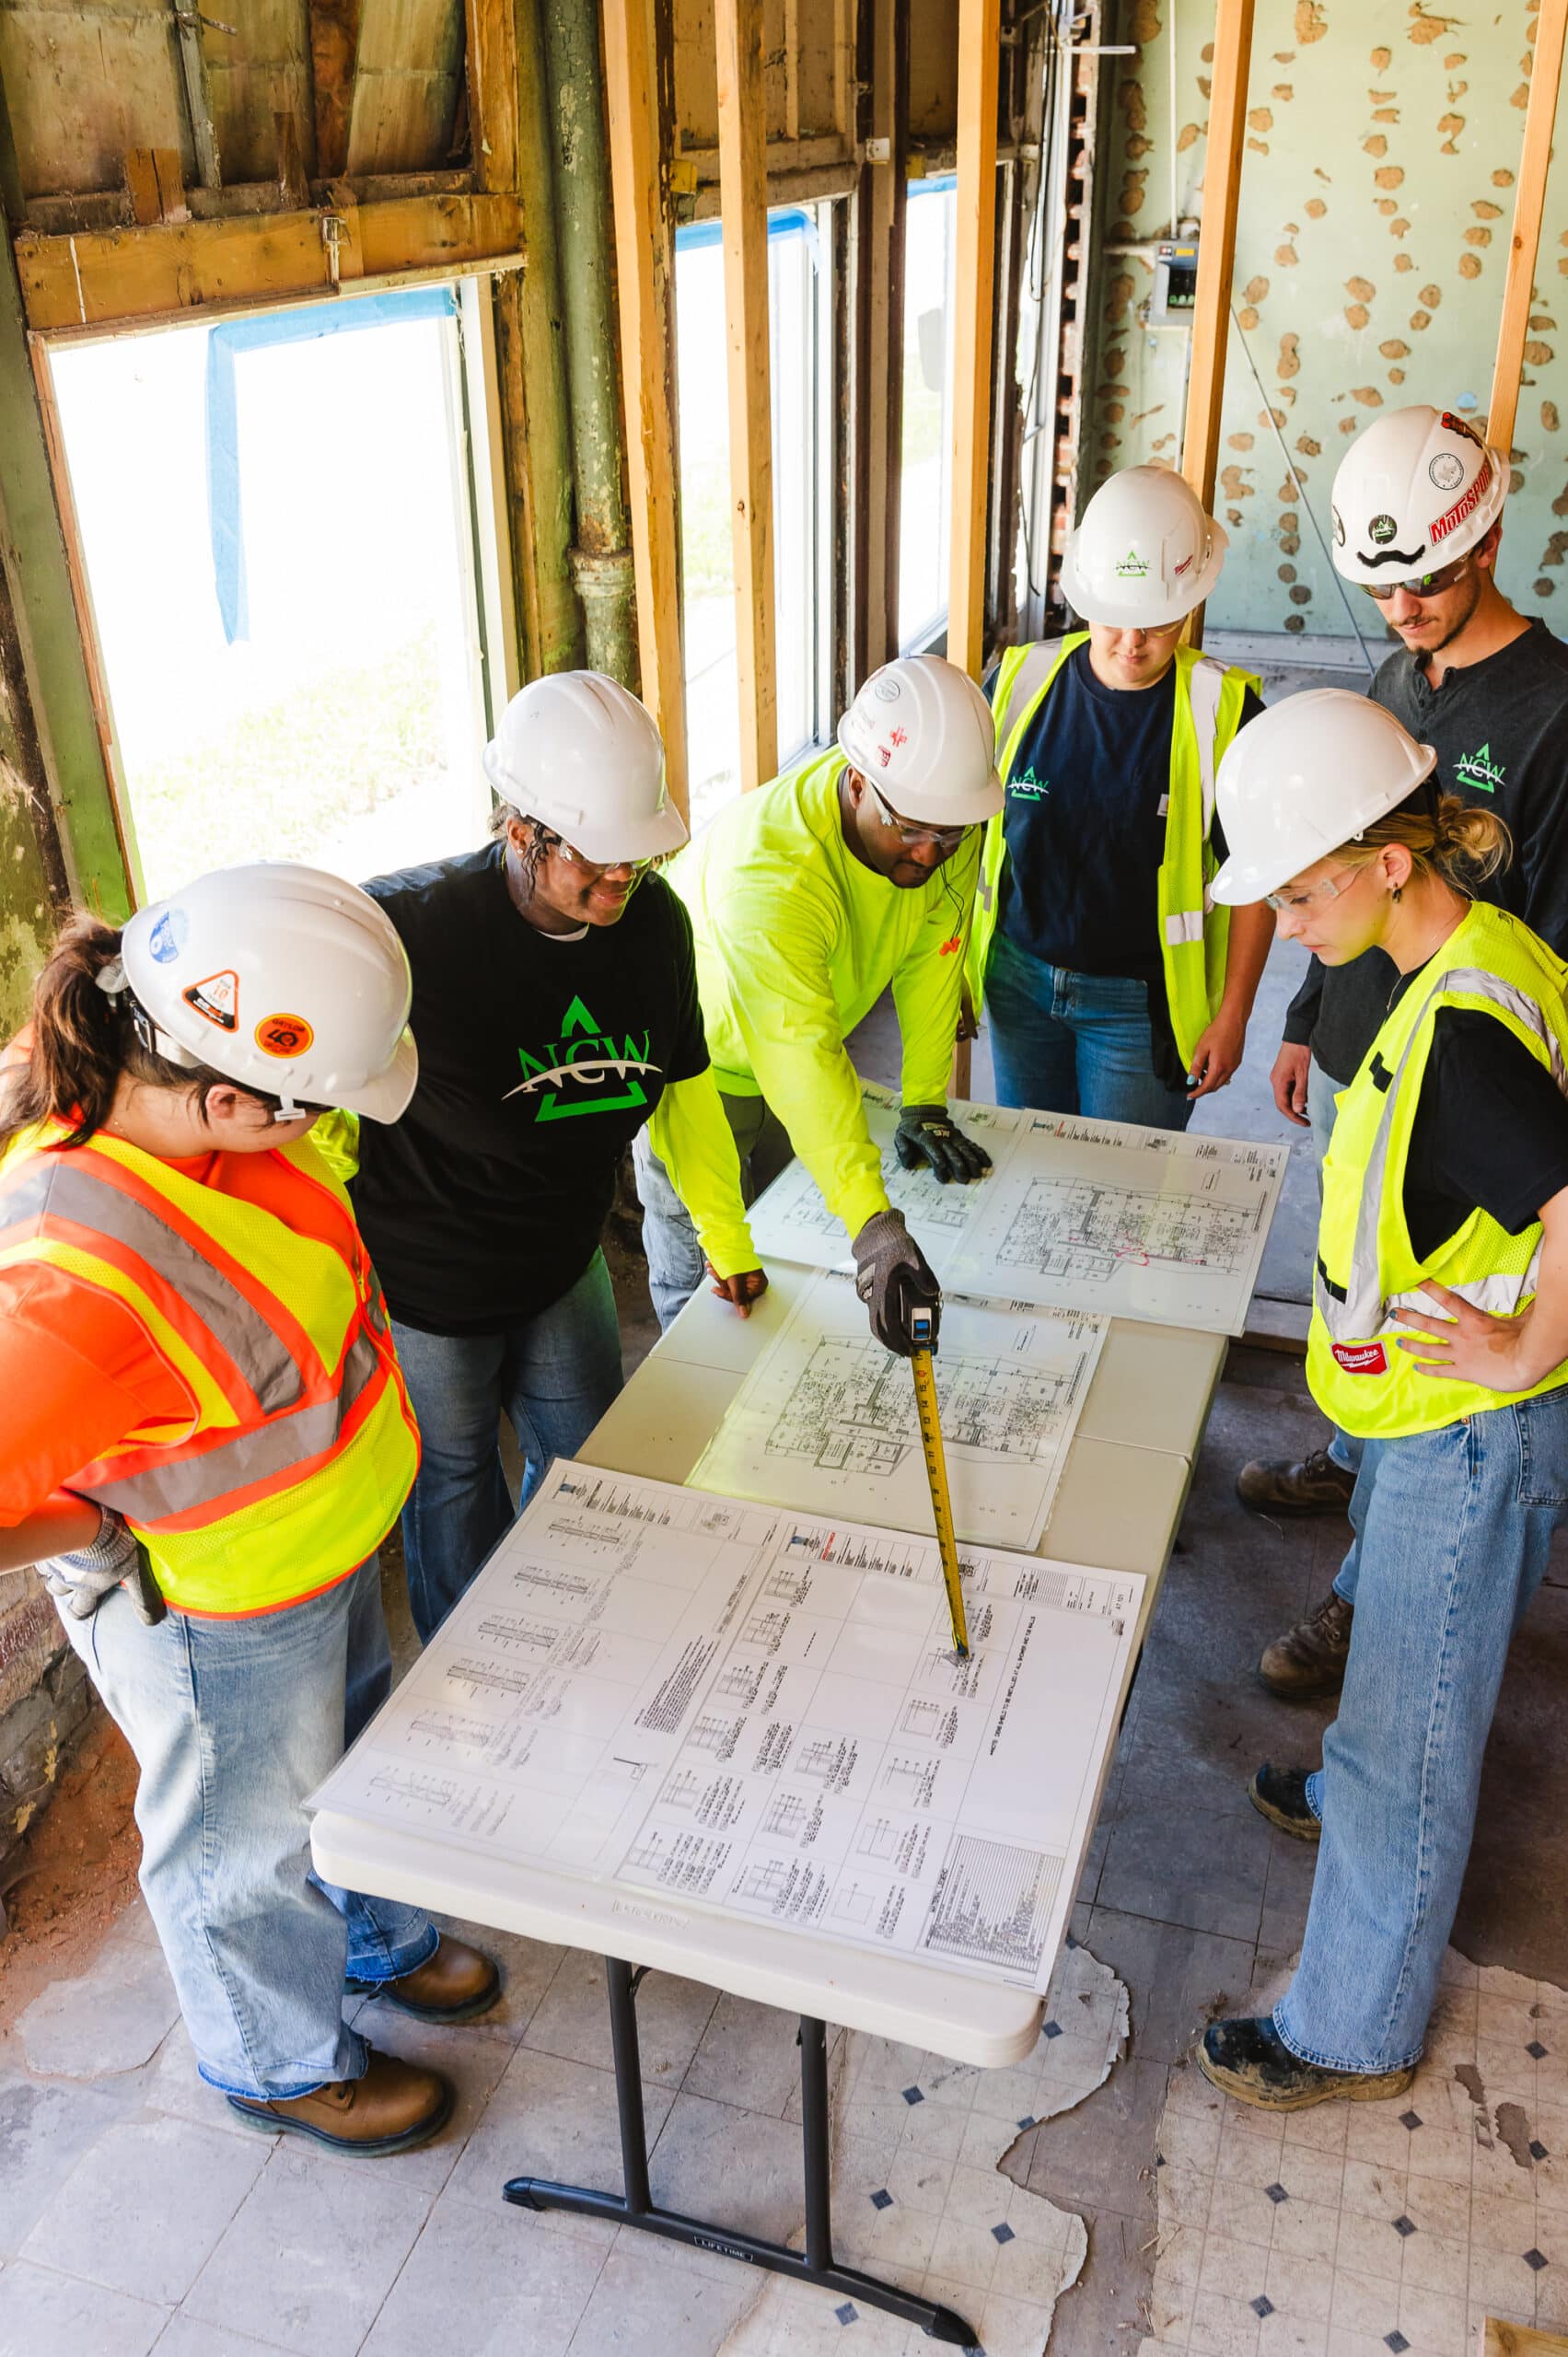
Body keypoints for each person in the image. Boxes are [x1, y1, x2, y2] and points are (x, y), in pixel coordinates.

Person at [0, 865, 498, 2157]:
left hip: (320, 1561)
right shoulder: (73, 1290)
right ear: (225, 1091)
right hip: (220, 1614)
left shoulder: (205, 1140)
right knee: (242, 1848)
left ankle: (377, 1939)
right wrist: (99, 1536)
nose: (328, 1127)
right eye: (310, 1107)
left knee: (352, 1768)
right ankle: (275, 2062)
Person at [1196, 691, 1568, 2110]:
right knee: (1396, 1706)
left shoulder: (1459, 1036)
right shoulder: (1480, 953)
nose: (1284, 921)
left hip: (1462, 1437)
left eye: (1299, 890)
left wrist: (1528, 1346)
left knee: (1413, 1731)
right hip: (1449, 1425)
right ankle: (1348, 1792)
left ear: (1387, 859)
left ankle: (1345, 2028)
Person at [1239, 401, 1568, 1700]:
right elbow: (1329, 871)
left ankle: (1365, 1585)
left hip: (1464, 1093)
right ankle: (1346, 1451)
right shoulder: (1394, 684)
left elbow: (1537, 950)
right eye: (1379, 584)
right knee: (1350, 1272)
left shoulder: (1551, 709)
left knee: (1443, 1359)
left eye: (1424, 578)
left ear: (1482, 539)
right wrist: (1305, 1025)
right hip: (1363, 1060)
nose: (1404, 606)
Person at [350, 670, 765, 1643]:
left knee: (586, 1465)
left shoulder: (652, 927)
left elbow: (687, 1086)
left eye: (638, 862)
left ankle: (574, 1635)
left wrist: (723, 1233)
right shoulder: (410, 933)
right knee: (453, 1483)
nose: (619, 882)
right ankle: (478, 1661)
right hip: (429, 1286)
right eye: (598, 860)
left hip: (563, 1257)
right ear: (520, 829)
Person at [634, 654, 1002, 1356]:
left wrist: (923, 1098)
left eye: (946, 836)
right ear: (857, 780)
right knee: (713, 1292)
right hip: (698, 1072)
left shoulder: (945, 817)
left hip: (792, 1051)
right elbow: (799, 1057)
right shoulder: (770, 879)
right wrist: (875, 1229)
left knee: (793, 1261)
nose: (930, 856)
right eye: (911, 832)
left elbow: (933, 953)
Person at [965, 464, 1275, 1128]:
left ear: (1190, 602)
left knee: (1122, 1200)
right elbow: (964, 843)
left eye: (1158, 624)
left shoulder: (1224, 711)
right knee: (1029, 1173)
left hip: (1138, 1008)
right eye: (1114, 619)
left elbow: (1257, 883)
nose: (1132, 643)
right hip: (1017, 984)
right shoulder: (1018, 683)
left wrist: (1233, 1013)